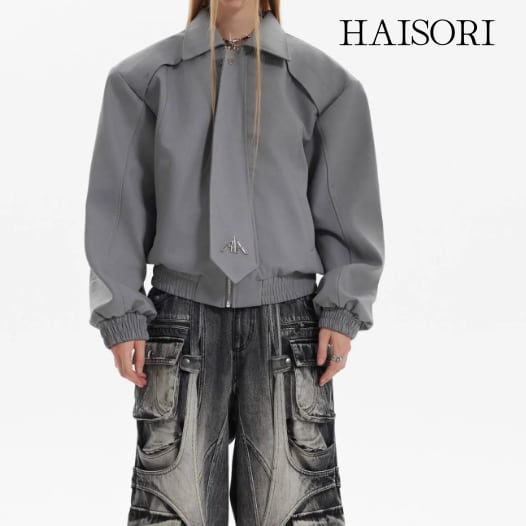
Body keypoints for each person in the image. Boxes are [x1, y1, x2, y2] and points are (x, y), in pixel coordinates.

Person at [84, 0, 385, 524]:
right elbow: (119, 206)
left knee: (292, 511)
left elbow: (345, 204)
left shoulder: (325, 86)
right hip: (179, 321)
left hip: (287, 325)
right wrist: (121, 312)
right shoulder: (143, 81)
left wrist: (343, 308)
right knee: (173, 511)